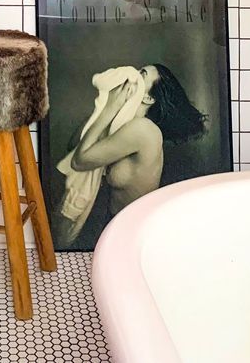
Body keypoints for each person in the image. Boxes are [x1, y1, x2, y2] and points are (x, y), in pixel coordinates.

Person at [55, 64, 206, 246]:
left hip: (134, 233)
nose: (132, 74)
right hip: (114, 225)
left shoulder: (143, 129)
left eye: (142, 74)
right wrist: (103, 106)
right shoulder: (123, 124)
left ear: (148, 97)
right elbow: (74, 147)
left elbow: (79, 162)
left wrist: (110, 108)